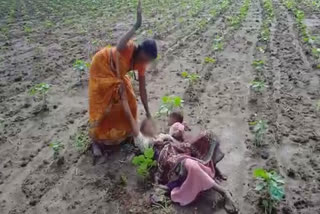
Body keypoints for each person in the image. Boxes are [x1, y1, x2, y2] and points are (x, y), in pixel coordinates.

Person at [88, 0, 157, 160]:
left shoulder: (141, 64)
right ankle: (97, 140)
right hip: (102, 67)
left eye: (150, 60)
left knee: (131, 102)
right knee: (104, 105)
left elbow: (143, 89)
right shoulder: (130, 47)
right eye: (147, 57)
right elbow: (118, 46)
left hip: (117, 75)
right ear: (142, 50)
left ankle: (124, 135)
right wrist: (136, 26)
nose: (147, 61)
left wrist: (148, 112)